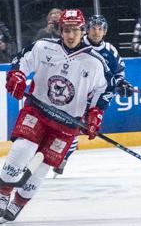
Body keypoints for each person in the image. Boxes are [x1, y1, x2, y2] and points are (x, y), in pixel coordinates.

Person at [0, 9, 114, 223]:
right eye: (67, 29)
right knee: (23, 148)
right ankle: (3, 195)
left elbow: (104, 90)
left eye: (75, 30)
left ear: (82, 31)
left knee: (41, 168)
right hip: (37, 111)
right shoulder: (44, 47)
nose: (71, 35)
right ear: (60, 30)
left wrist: (96, 114)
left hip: (67, 125)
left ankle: (18, 203)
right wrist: (17, 76)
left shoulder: (95, 62)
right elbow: (20, 61)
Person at [54, 14, 129, 176]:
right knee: (66, 127)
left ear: (105, 31)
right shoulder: (78, 44)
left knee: (75, 129)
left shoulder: (110, 50)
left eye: (100, 29)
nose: (96, 32)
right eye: (93, 28)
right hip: (75, 93)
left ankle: (63, 157)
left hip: (95, 98)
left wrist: (122, 83)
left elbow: (119, 72)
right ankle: (56, 155)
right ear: (86, 29)